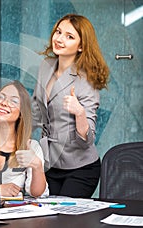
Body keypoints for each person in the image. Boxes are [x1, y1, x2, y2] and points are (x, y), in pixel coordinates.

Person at [31, 14, 109, 198]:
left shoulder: (86, 80)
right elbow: (36, 111)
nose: (59, 39)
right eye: (58, 32)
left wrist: (79, 112)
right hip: (50, 162)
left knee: (63, 218)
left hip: (80, 168)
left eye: (69, 36)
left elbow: (87, 140)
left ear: (81, 46)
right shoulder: (46, 65)